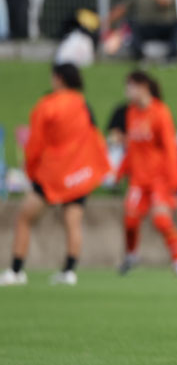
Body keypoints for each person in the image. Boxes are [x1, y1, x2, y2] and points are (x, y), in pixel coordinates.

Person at [1, 64, 110, 287]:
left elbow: (35, 143)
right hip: (78, 174)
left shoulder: (47, 105)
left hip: (52, 174)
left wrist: (31, 170)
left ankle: (16, 270)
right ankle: (69, 271)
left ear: (59, 79)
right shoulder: (83, 104)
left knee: (24, 218)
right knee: (73, 222)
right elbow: (95, 138)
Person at [117, 71, 177, 278]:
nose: (127, 91)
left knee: (161, 221)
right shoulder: (131, 113)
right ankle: (131, 255)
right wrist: (120, 171)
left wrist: (175, 179)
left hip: (159, 179)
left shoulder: (160, 112)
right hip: (138, 180)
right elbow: (131, 147)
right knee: (130, 221)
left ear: (143, 88)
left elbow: (170, 148)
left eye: (130, 87)